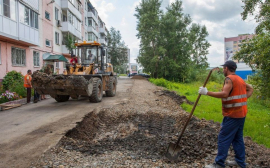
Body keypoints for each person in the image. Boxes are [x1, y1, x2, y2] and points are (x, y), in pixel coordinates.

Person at [199, 60, 253, 168]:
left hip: (232, 115)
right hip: (241, 114)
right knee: (237, 138)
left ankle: (219, 163)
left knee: (223, 138)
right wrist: (242, 99)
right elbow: (250, 88)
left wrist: (206, 92)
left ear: (227, 68)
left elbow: (224, 94)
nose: (223, 70)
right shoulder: (240, 79)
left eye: (224, 68)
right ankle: (240, 161)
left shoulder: (229, 79)